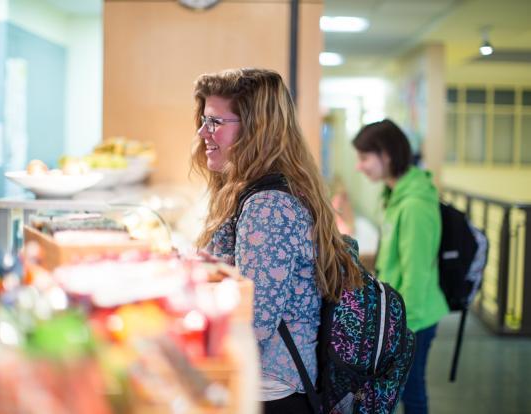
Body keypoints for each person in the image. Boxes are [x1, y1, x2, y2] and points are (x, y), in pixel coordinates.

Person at [191, 68, 361, 413]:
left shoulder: (269, 207)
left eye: (215, 123)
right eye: (203, 121)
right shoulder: (258, 192)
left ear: (256, 130)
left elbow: (254, 321)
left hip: (273, 390)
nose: (202, 133)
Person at [352, 119, 449, 414]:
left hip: (415, 317)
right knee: (401, 390)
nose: (360, 166)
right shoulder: (394, 195)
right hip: (402, 315)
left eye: (365, 158)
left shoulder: (415, 205)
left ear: (387, 155)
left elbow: (416, 275)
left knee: (412, 392)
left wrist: (401, 332)